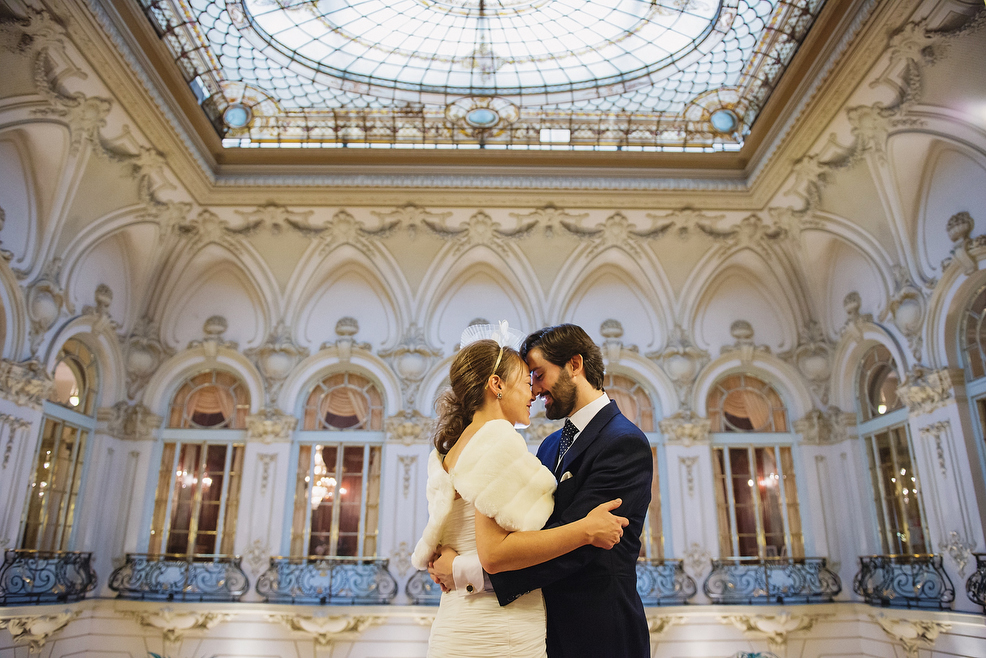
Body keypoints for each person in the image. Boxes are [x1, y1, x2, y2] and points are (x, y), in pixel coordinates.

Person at [430, 324, 653, 658]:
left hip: (599, 634)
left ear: (575, 365)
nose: (534, 389)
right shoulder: (548, 446)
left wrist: (465, 571)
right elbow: (533, 531)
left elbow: (583, 547)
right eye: (528, 378)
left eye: (538, 374)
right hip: (541, 630)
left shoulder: (624, 442)